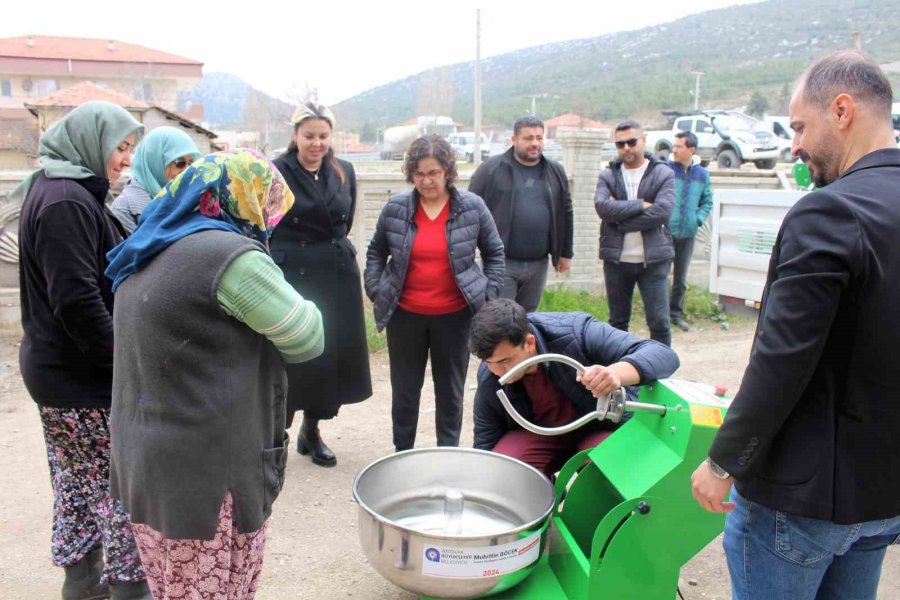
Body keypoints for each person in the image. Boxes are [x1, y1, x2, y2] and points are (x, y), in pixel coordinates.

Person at [690, 50, 900, 600]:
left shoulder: (828, 211)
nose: (796, 145)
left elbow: (784, 358)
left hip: (802, 501)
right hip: (883, 498)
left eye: (801, 126)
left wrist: (723, 460)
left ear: (843, 110)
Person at [105, 149, 324, 600]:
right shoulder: (229, 256)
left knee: (173, 588)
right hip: (204, 477)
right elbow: (307, 336)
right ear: (245, 196)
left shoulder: (150, 242)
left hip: (146, 466)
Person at [14, 100, 151, 599]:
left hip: (62, 376)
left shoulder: (61, 189)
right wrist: (129, 364)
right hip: (83, 382)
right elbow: (76, 301)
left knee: (79, 489)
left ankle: (83, 586)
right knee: (117, 494)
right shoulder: (66, 201)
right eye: (119, 146)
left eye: (130, 148)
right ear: (90, 142)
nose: (125, 159)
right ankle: (128, 590)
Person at [364, 134, 505, 451]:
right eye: (419, 173)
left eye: (434, 172)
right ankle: (402, 454)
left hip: (455, 317)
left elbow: (495, 254)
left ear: (448, 171)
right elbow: (375, 253)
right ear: (410, 174)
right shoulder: (396, 208)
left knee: (451, 393)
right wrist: (376, 289)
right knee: (405, 392)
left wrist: (488, 296)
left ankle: (447, 454)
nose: (427, 181)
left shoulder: (472, 207)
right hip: (405, 316)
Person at [469, 299, 678, 477]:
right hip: (540, 435)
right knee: (503, 469)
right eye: (489, 362)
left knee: (606, 469)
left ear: (530, 343)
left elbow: (662, 354)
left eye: (505, 361)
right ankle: (539, 517)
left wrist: (615, 373)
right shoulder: (491, 376)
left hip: (600, 427)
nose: (498, 371)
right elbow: (486, 442)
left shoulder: (574, 332)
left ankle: (596, 519)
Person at [271, 102, 372, 468]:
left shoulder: (344, 170)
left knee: (327, 357)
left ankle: (311, 431)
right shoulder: (275, 172)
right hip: (291, 276)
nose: (317, 143)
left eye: (323, 136)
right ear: (295, 135)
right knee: (288, 355)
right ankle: (276, 436)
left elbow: (344, 222)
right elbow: (267, 222)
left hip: (335, 276)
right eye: (309, 135)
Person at [468, 116, 573, 312]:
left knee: (528, 319)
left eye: (539, 138)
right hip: (501, 262)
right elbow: (469, 209)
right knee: (502, 318)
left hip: (539, 263)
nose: (535, 143)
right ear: (514, 139)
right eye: (528, 138)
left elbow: (566, 211)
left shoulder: (555, 171)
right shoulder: (491, 169)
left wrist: (565, 253)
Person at [594, 120, 675, 346]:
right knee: (617, 323)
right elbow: (602, 208)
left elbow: (662, 212)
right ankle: (620, 372)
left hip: (654, 260)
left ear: (643, 140)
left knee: (659, 322)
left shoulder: (662, 173)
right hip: (617, 260)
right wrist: (641, 204)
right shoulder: (608, 175)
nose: (627, 148)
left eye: (631, 142)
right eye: (620, 144)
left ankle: (661, 371)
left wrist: (620, 221)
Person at [109, 126, 201, 232]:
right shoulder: (124, 209)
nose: (186, 171)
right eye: (179, 163)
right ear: (155, 162)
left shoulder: (189, 202)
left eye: (191, 164)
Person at [667, 131, 713, 332]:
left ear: (691, 150)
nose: (674, 150)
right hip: (665, 231)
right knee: (659, 275)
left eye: (679, 146)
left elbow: (707, 201)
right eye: (674, 146)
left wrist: (698, 218)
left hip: (688, 232)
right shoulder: (666, 170)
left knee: (681, 277)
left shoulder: (701, 175)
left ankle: (675, 314)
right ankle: (659, 314)